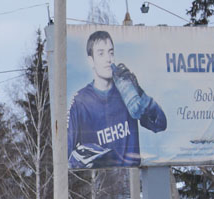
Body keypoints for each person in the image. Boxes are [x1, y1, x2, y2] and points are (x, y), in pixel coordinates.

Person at [68, 30, 166, 169]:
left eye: (111, 52)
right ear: (91, 61)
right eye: (101, 53)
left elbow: (160, 124)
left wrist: (139, 91)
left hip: (132, 179)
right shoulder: (81, 101)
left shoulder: (126, 91)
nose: (108, 59)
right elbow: (66, 155)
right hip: (101, 183)